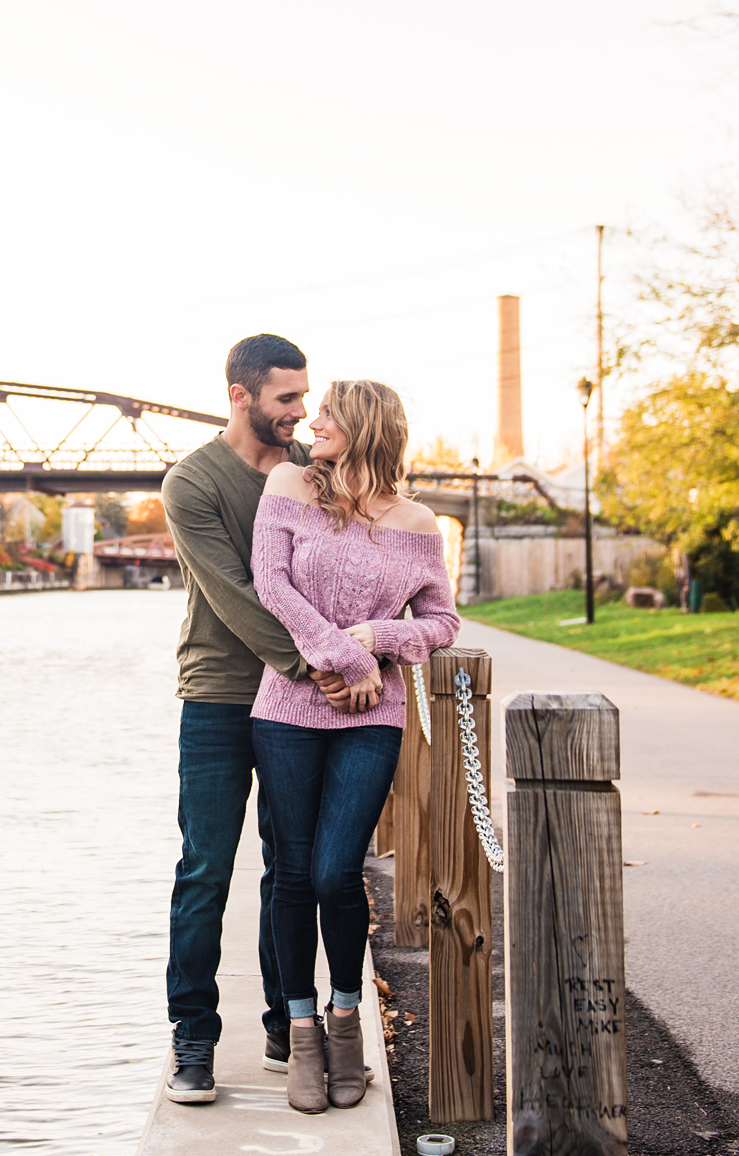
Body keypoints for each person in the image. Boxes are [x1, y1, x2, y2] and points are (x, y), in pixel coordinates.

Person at [250, 379, 458, 1114]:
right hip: (287, 709)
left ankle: (345, 1017)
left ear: (366, 425)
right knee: (295, 872)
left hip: (373, 714)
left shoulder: (417, 520)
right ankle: (301, 1028)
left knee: (340, 871)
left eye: (330, 412)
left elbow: (440, 622)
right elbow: (270, 583)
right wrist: (340, 657)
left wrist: (377, 640)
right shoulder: (290, 484)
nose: (315, 420)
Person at [158, 334, 335, 1104]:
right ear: (241, 395)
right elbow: (232, 594)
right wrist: (316, 663)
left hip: (298, 701)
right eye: (286, 398)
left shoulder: (313, 477)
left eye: (304, 396)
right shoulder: (192, 482)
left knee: (289, 869)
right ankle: (193, 1038)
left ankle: (282, 1023)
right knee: (206, 870)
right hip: (222, 695)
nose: (301, 411)